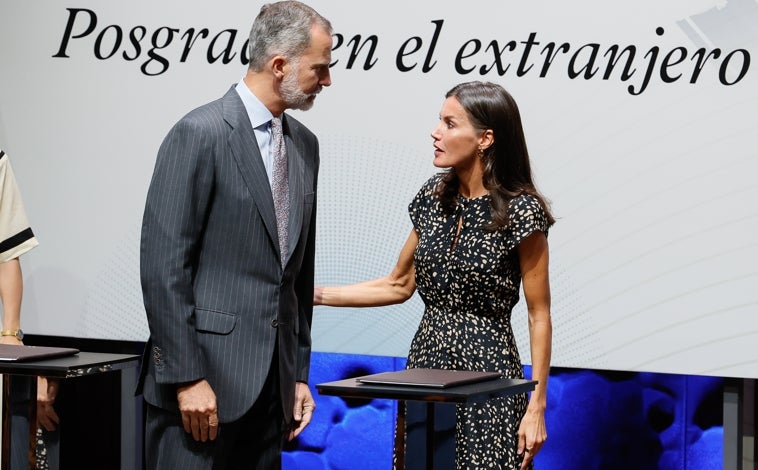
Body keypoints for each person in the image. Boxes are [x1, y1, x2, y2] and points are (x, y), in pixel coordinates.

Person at [314, 81, 554, 470]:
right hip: (425, 366)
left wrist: (536, 406)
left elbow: (538, 315)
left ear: (485, 139)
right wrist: (312, 294)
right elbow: (398, 284)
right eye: (438, 121)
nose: (435, 132)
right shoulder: (433, 197)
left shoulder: (521, 211)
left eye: (449, 123)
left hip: (488, 373)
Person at [137, 1, 332, 468]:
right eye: (321, 68)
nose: (327, 81)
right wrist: (186, 378)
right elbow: (163, 268)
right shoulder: (199, 132)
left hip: (270, 397)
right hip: (200, 392)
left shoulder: (305, 145)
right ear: (279, 64)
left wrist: (297, 375)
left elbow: (295, 274)